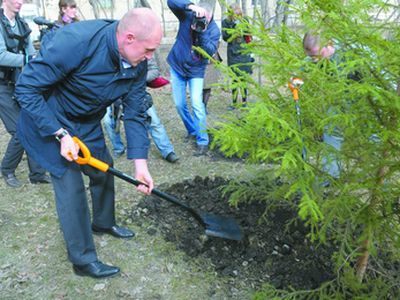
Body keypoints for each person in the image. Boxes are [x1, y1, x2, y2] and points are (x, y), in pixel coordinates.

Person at [15, 8, 162, 279]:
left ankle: (104, 222)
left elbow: (134, 112)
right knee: (71, 187)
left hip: (86, 119)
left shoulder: (137, 62)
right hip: (49, 119)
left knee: (104, 169)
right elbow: (25, 88)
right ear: (129, 38)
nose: (150, 57)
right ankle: (82, 260)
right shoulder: (76, 42)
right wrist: (60, 134)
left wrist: (140, 164)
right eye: (149, 49)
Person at [0, 0, 51, 187]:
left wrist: (37, 61)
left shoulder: (22, 24)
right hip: (2, 86)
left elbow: (30, 52)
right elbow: (1, 55)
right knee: (18, 131)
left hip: (19, 83)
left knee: (33, 124)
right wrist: (28, 58)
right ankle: (7, 169)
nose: (19, 2)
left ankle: (37, 174)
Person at [167, 0, 220, 156]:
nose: (202, 18)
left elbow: (209, 51)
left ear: (211, 15)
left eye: (205, 17)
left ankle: (202, 140)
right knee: (179, 104)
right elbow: (171, 2)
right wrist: (191, 6)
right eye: (200, 15)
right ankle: (192, 130)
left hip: (196, 70)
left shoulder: (214, 30)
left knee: (197, 103)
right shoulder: (187, 15)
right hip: (177, 65)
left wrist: (201, 31)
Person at [103, 57, 179, 163]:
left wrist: (136, 78)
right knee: (108, 122)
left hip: (137, 93)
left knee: (154, 121)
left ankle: (167, 151)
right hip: (114, 95)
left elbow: (154, 71)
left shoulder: (142, 50)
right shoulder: (109, 50)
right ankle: (118, 148)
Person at [302, 32, 341, 180]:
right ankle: (331, 176)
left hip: (363, 104)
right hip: (334, 105)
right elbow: (302, 67)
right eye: (311, 57)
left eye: (317, 55)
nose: (314, 60)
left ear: (329, 44)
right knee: (331, 132)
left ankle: (381, 182)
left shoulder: (350, 53)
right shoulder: (313, 58)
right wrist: (295, 78)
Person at [221, 4, 253, 109]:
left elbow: (249, 35)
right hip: (232, 53)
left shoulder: (245, 20)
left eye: (238, 14)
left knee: (243, 77)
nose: (236, 16)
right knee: (234, 78)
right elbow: (225, 37)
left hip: (243, 52)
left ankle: (244, 102)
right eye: (235, 15)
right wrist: (233, 29)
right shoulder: (226, 22)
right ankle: (234, 103)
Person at [202, 49, 222, 114]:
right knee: (199, 85)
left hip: (212, 58)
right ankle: (199, 106)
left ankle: (204, 106)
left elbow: (217, 42)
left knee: (208, 84)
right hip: (199, 56)